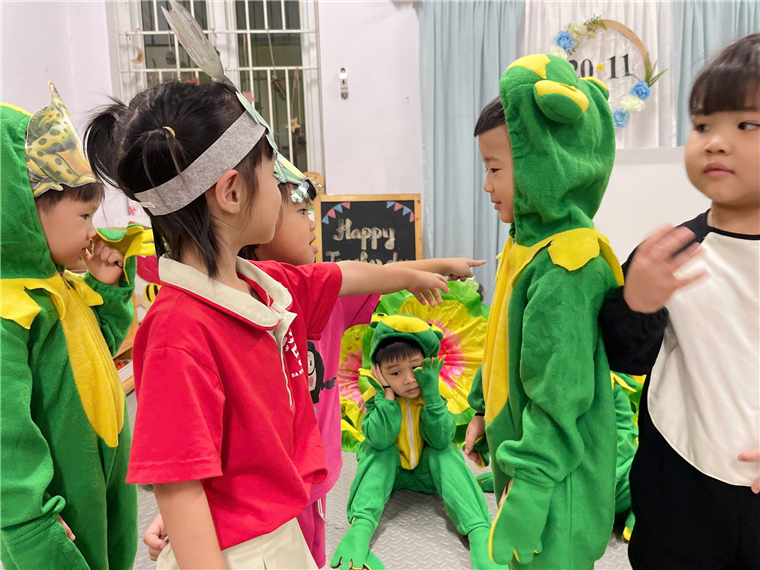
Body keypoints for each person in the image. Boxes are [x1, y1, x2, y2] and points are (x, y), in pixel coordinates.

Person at [85, 79, 449, 569]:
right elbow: (179, 487)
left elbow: (341, 276)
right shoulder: (178, 330)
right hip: (239, 552)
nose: (284, 197)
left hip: (279, 530)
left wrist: (414, 273)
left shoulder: (260, 285)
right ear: (232, 191)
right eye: (270, 171)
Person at [598, 34, 760, 569]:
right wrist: (636, 302)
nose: (716, 143)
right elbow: (625, 356)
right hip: (680, 484)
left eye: (748, 125)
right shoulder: (667, 252)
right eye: (703, 125)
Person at [464, 54, 623, 568]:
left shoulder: (567, 263)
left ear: (542, 163)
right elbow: (503, 339)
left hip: (557, 481)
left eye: (494, 170)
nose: (487, 186)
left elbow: (560, 390)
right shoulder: (526, 244)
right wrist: (482, 408)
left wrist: (531, 488)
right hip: (526, 458)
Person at [0, 82, 147, 569]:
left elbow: (96, 353)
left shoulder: (60, 285)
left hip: (104, 474)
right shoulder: (10, 310)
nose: (91, 230)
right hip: (56, 505)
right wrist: (31, 522)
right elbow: (6, 436)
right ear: (26, 205)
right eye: (84, 215)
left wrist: (107, 288)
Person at [331, 314, 505, 570]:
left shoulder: (434, 393)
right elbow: (378, 440)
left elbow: (441, 439)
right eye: (395, 372)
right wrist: (386, 397)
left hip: (427, 474)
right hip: (392, 474)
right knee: (377, 452)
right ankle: (360, 530)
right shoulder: (376, 397)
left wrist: (432, 396)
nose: (409, 379)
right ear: (379, 373)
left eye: (416, 368)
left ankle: (479, 532)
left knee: (445, 453)